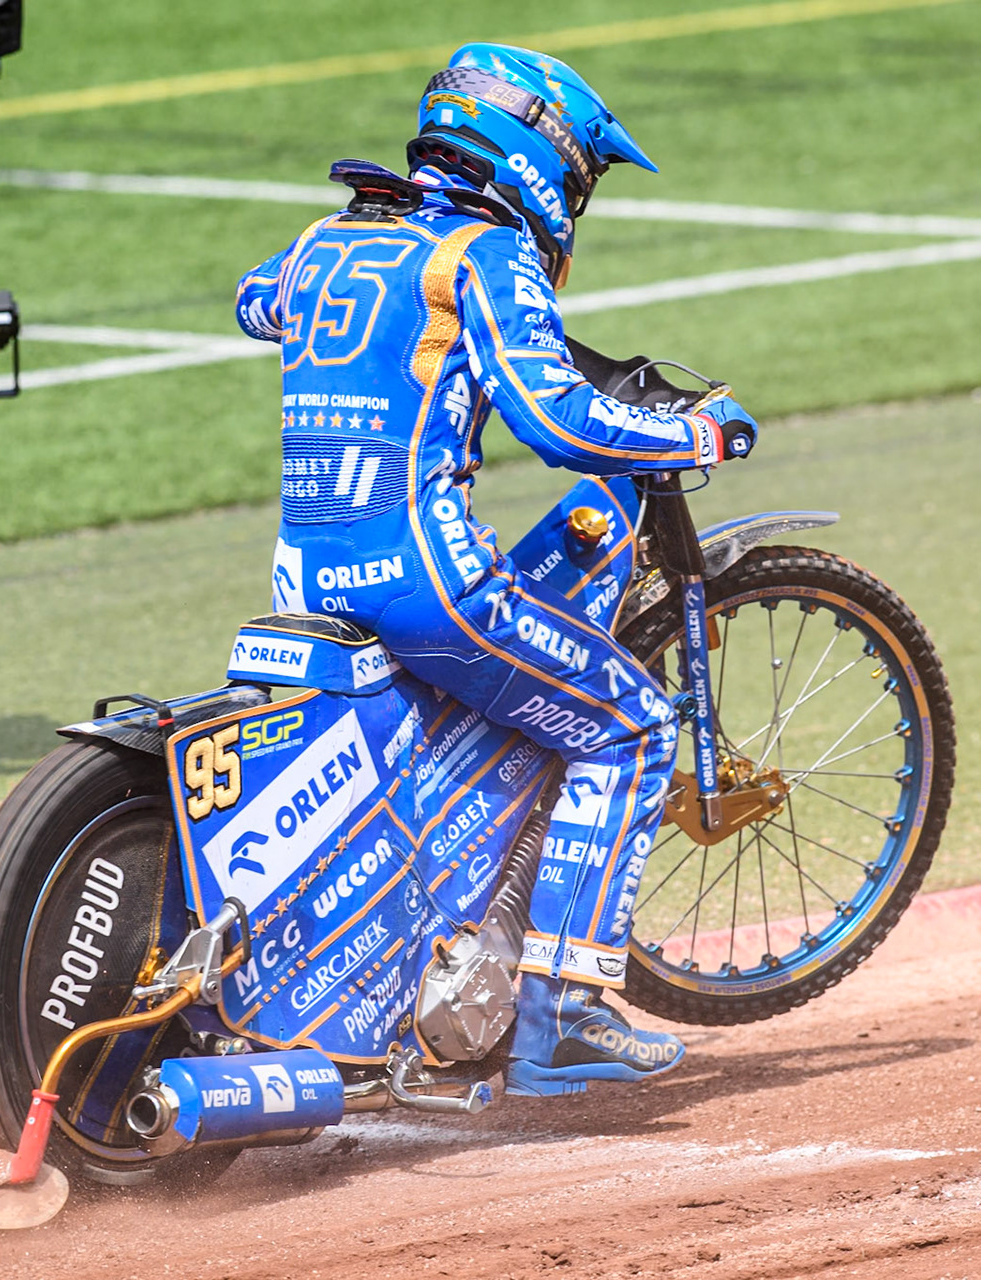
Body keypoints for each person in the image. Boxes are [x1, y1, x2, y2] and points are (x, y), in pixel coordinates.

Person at [234, 44, 759, 1096]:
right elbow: (558, 420)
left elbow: (259, 301)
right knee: (633, 726)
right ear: (541, 160)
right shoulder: (484, 256)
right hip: (424, 586)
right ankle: (561, 1012)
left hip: (304, 585)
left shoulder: (328, 238)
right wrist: (697, 439)